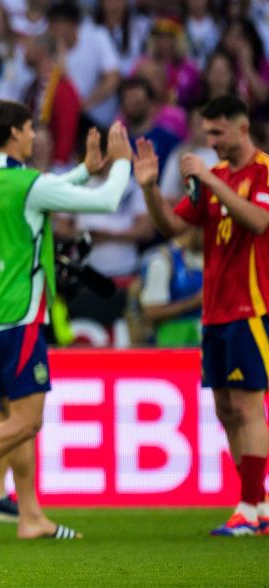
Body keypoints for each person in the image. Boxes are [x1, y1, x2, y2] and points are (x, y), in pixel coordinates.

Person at [0, 100, 133, 539]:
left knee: (21, 417)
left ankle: (30, 517)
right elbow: (106, 200)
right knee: (26, 421)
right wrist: (120, 165)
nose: (35, 135)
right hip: (18, 316)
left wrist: (83, 169)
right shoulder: (25, 184)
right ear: (16, 133)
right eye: (29, 128)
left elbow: (38, 191)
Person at [133, 95, 269, 536]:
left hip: (252, 308)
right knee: (227, 409)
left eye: (217, 133)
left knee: (249, 407)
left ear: (241, 128)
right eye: (207, 133)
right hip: (214, 312)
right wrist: (150, 187)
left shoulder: (262, 170)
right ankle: (258, 503)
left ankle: (248, 507)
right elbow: (172, 228)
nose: (211, 141)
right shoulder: (216, 179)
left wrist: (211, 180)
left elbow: (258, 221)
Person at [138, 229, 204, 347]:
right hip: (172, 347)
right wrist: (196, 301)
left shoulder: (208, 256)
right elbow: (152, 312)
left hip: (205, 344)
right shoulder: (161, 261)